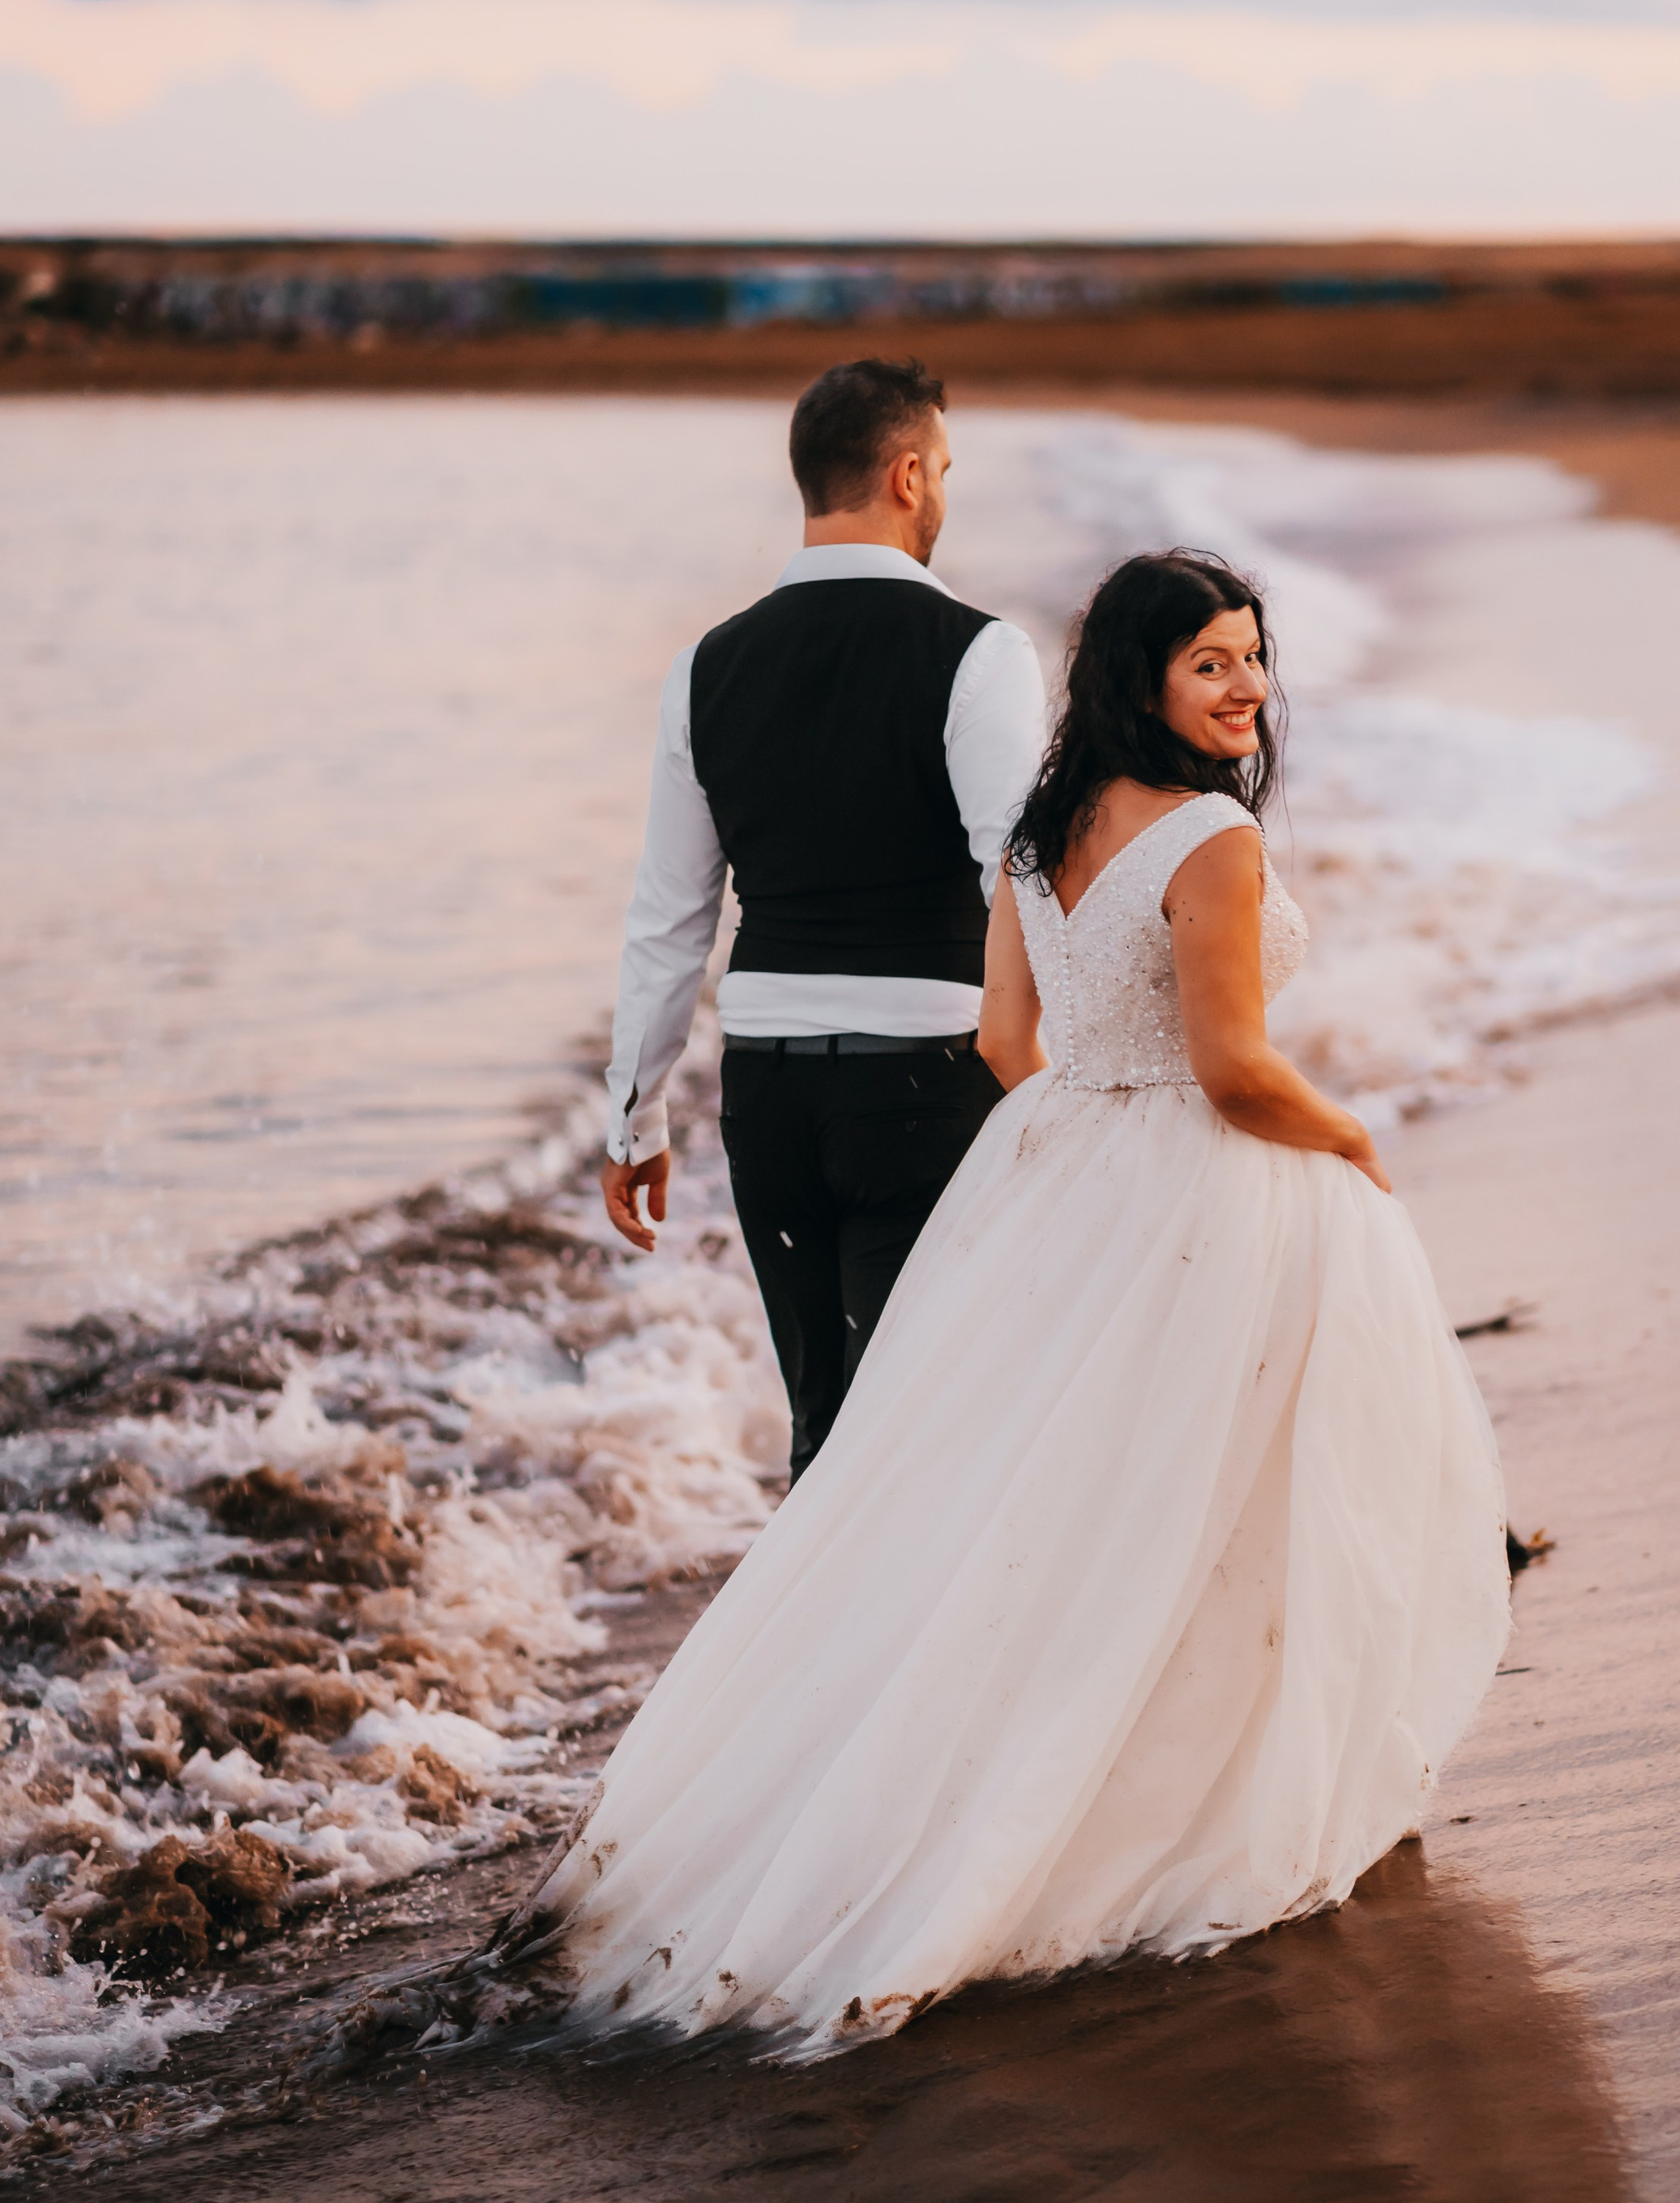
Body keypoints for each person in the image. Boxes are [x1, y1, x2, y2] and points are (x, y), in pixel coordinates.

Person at [528, 547, 1511, 2056]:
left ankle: (924, 1796)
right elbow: (1241, 1072)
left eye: (1254, 656)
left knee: (1038, 1506)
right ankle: (1184, 1793)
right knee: (1222, 1500)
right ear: (1145, 680)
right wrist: (1355, 1140)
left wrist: (1095, 1147)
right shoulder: (1210, 841)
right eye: (1212, 664)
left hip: (1055, 1166)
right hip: (1203, 1172)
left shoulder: (1042, 829)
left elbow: (1004, 1041)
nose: (1248, 687)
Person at [601, 357, 1048, 1479]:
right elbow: (1022, 877)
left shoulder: (707, 667)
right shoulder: (980, 653)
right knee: (932, 1424)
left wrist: (636, 1117)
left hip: (770, 1093)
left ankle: (815, 1652)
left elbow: (669, 918)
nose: (943, 491)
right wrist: (1060, 1077)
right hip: (930, 1079)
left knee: (825, 1424)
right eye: (941, 469)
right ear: (907, 476)